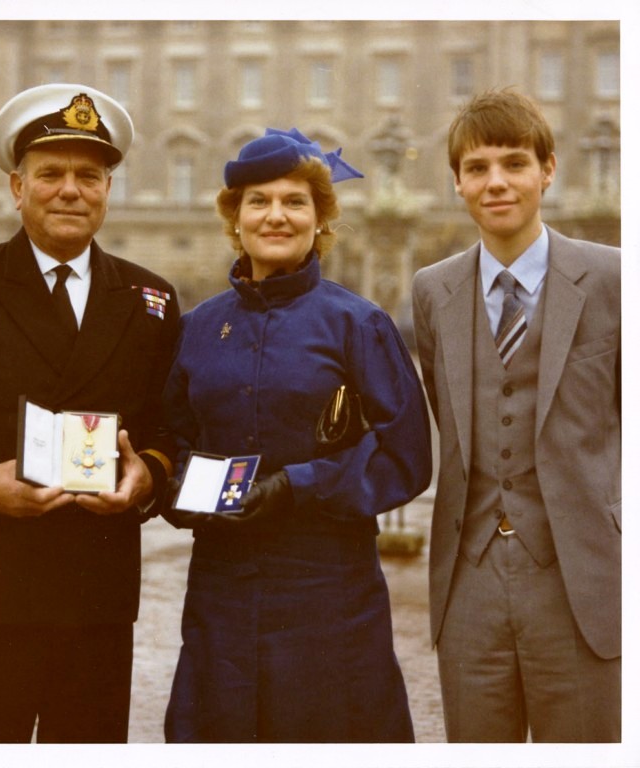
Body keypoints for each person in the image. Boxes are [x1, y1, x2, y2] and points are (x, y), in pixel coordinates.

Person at [0, 83, 180, 744]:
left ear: (109, 189)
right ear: (17, 188)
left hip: (96, 589)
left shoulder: (148, 298)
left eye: (89, 176)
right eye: (50, 175)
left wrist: (147, 480)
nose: (70, 190)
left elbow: (167, 429)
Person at [160, 128, 433, 742]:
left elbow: (406, 456)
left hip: (328, 591)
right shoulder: (199, 328)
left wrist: (296, 486)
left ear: (320, 218)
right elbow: (171, 437)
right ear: (235, 218)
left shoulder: (357, 324)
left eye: (294, 201)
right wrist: (179, 490)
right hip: (223, 590)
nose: (275, 215)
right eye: (258, 201)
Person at [411, 88, 621, 742]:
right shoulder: (431, 289)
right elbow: (450, 418)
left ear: (547, 169)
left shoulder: (615, 278)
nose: (495, 182)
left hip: (580, 578)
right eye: (476, 169)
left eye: (512, 163)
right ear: (456, 183)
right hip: (467, 580)